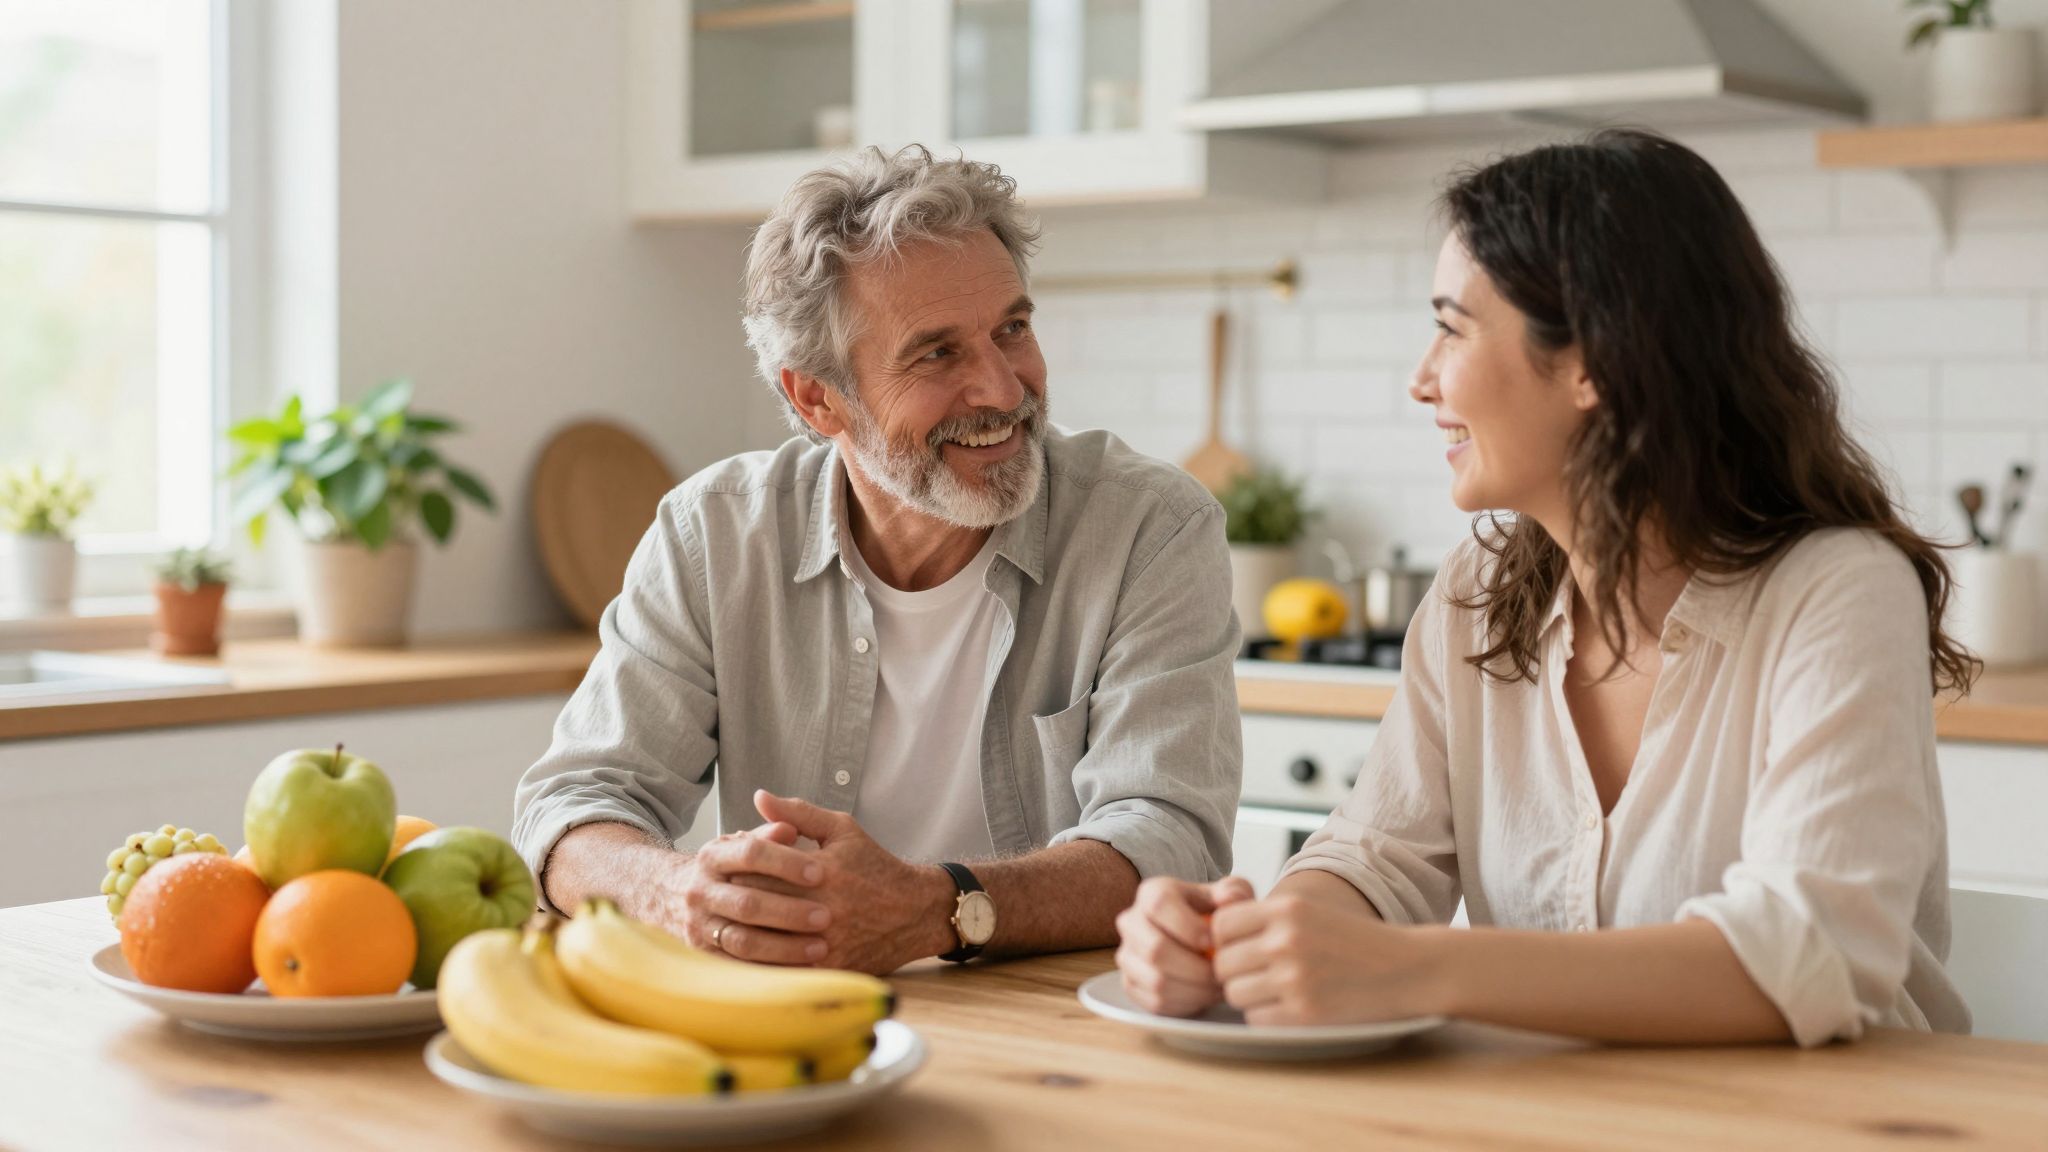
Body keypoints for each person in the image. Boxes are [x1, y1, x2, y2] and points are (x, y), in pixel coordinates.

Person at [1115, 128, 1975, 1047]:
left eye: (1450, 327)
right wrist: (1253, 943)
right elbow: (1379, 858)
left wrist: (1411, 968)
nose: (1420, 378)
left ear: (1591, 362)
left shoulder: (1837, 592)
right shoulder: (1477, 591)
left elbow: (1817, 953)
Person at [514, 145, 1241, 975]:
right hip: (788, 1018)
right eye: (937, 354)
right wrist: (678, 893)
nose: (1004, 390)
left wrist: (937, 910)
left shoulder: (1151, 527)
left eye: (1012, 328)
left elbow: (1169, 837)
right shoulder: (713, 535)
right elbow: (572, 804)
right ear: (816, 398)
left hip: (1057, 1026)